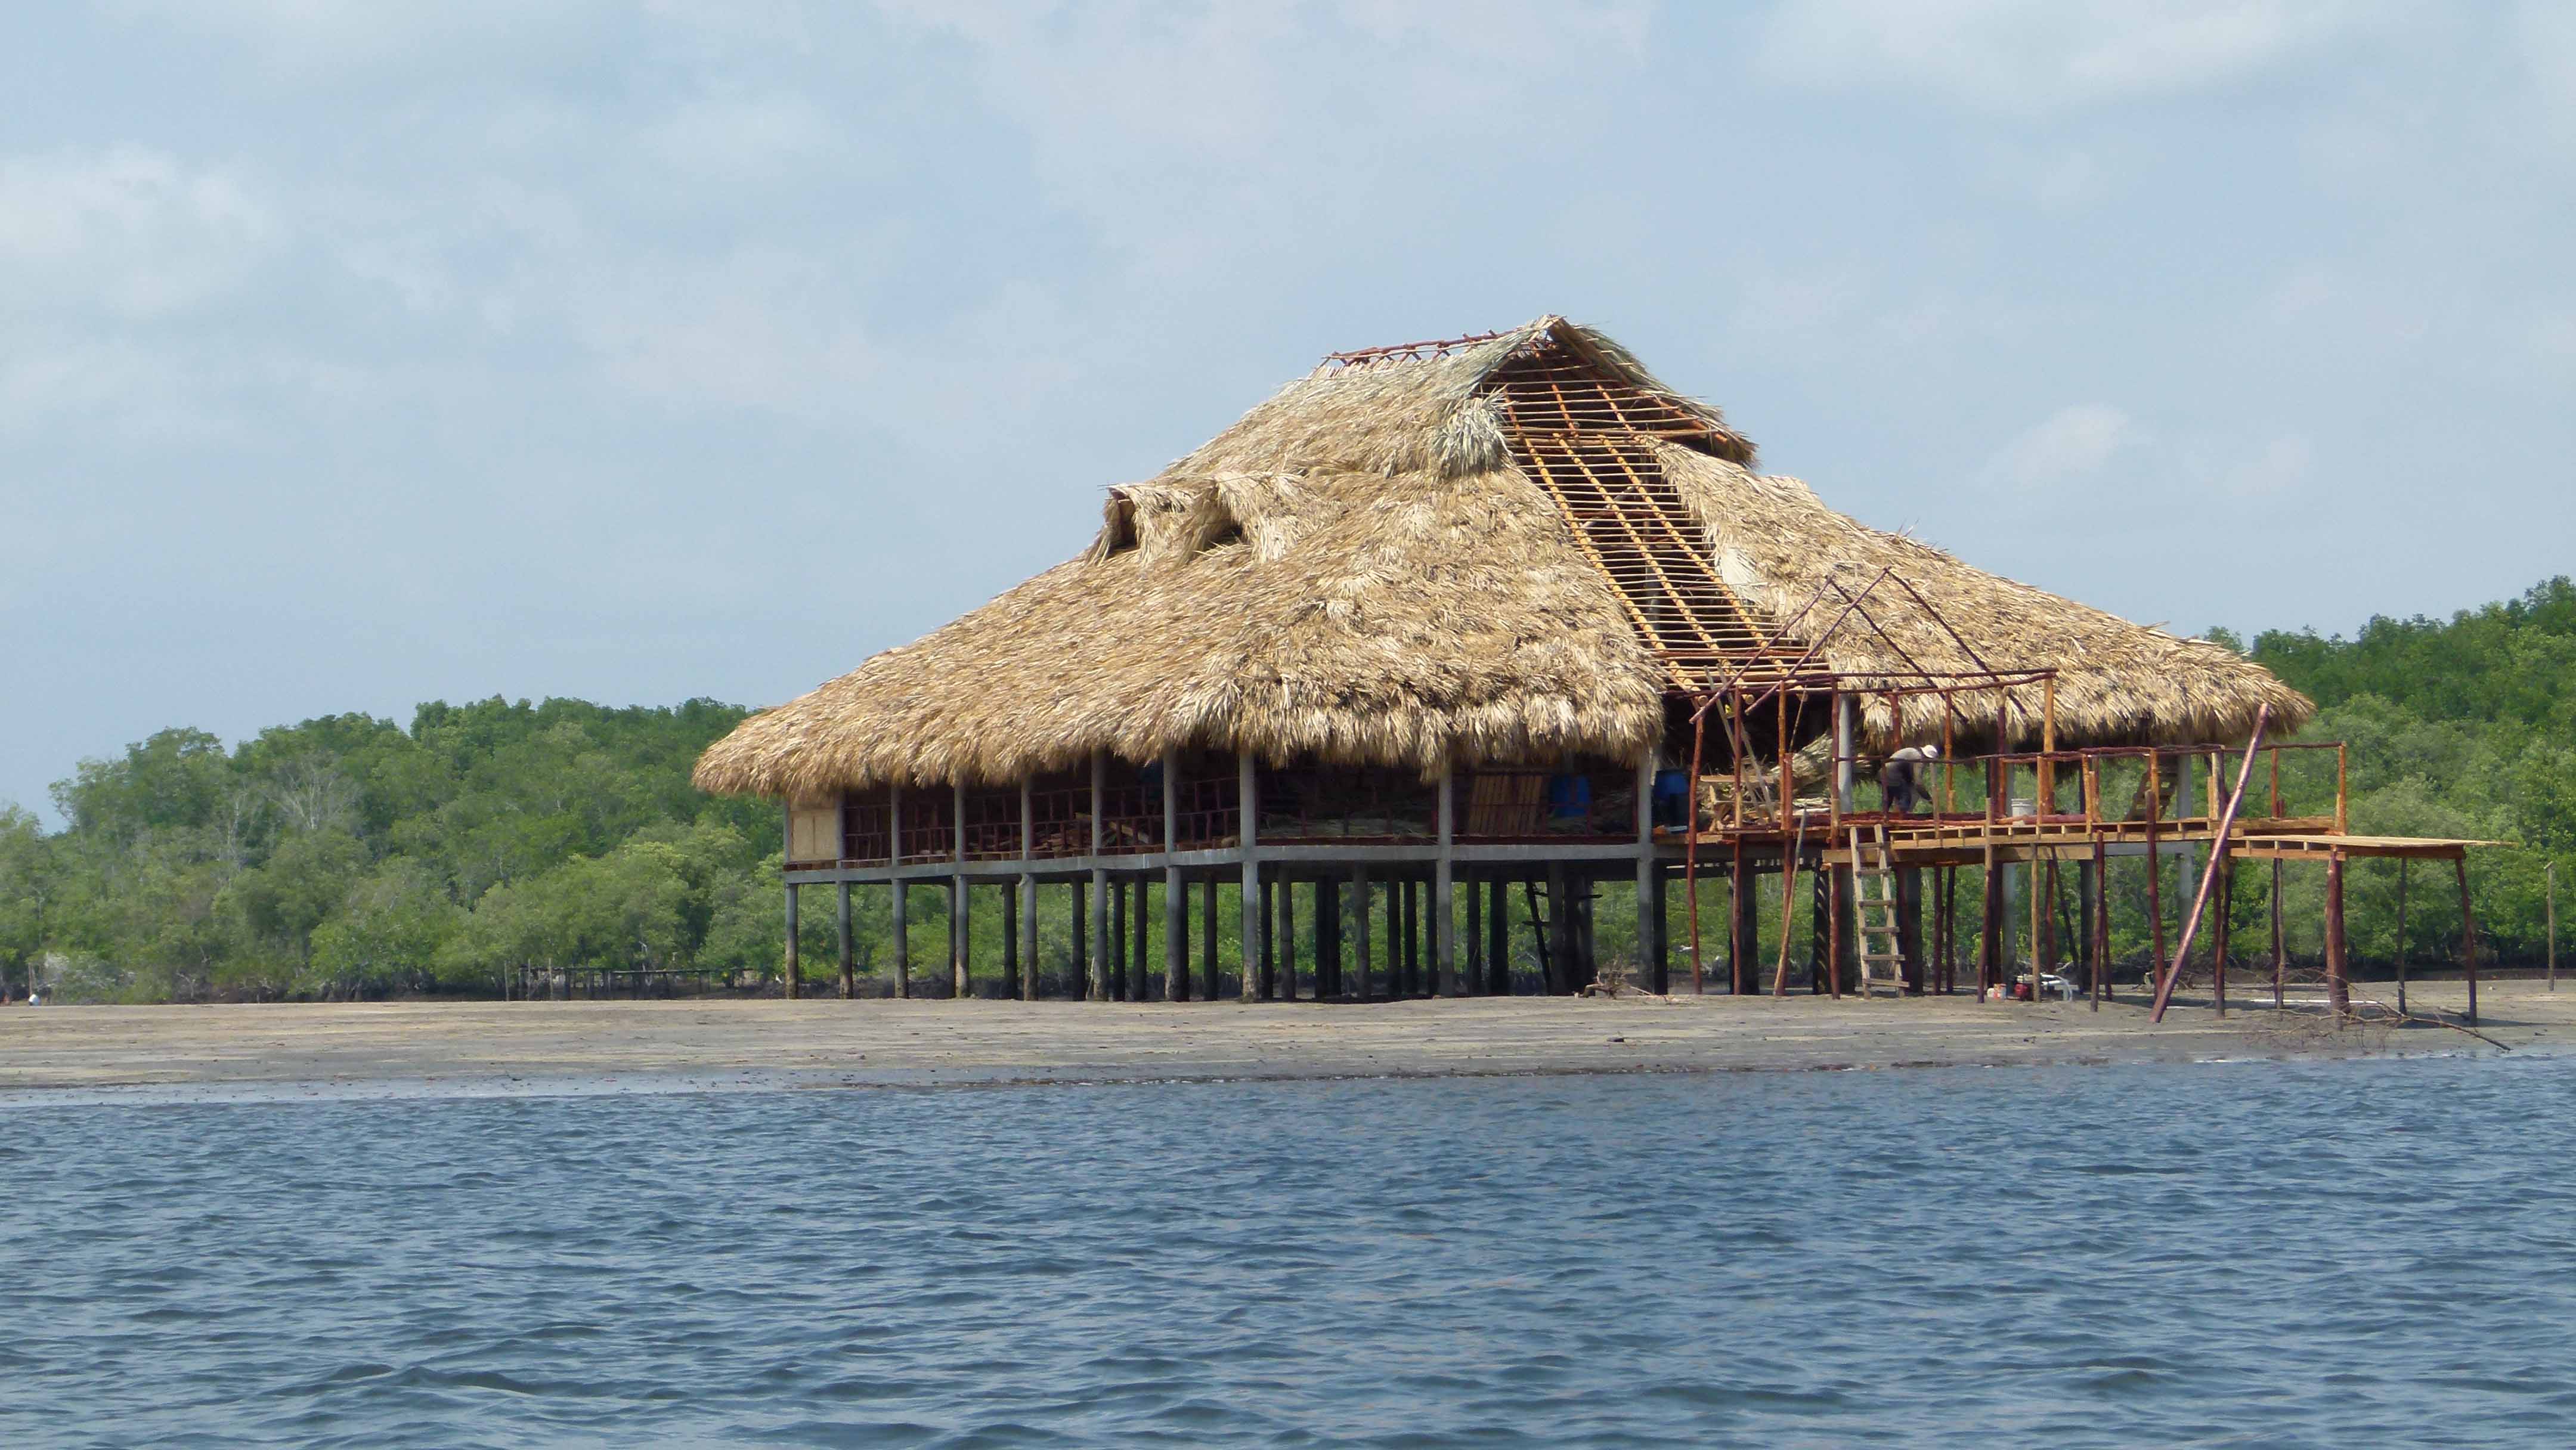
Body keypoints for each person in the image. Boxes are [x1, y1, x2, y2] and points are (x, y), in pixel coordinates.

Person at [1880, 743, 1939, 816]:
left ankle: (1884, 817)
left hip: (1883, 773)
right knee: (1905, 796)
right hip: (1892, 774)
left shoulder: (1913, 752)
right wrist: (1929, 798)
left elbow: (1909, 774)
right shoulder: (1919, 759)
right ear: (1928, 757)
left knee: (1888, 798)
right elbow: (1918, 784)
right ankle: (1903, 818)